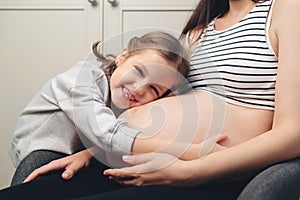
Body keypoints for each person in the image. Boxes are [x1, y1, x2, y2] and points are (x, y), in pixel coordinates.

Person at [1, 0, 299, 199]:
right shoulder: (197, 33)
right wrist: (90, 153)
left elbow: (293, 134)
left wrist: (191, 172)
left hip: (206, 173)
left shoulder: (286, 9)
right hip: (136, 159)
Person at [9, 31, 192, 186]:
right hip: (42, 148)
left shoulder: (130, 103)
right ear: (122, 57)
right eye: (138, 71)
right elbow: (106, 134)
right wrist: (187, 149)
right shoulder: (83, 79)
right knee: (31, 183)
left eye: (153, 88)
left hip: (80, 150)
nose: (139, 88)